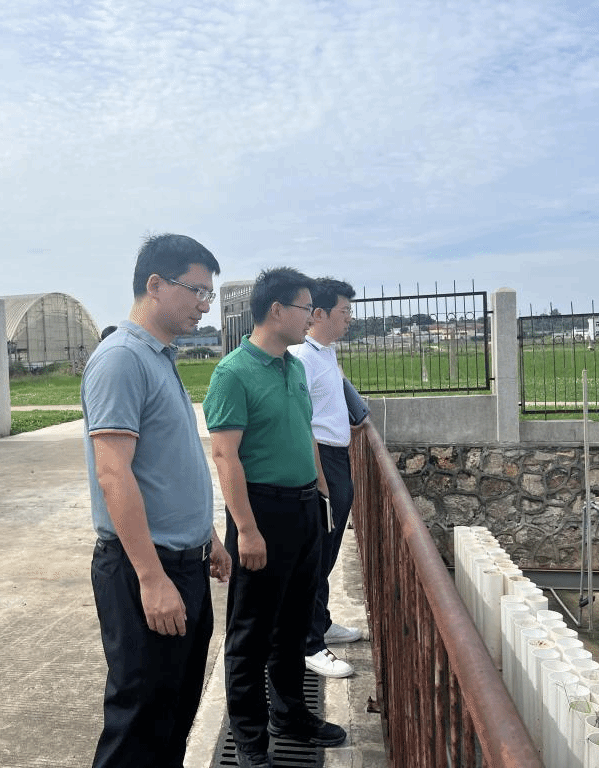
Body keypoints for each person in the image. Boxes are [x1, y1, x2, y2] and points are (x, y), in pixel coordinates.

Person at [82, 233, 232, 768]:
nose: (204, 304)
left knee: (173, 713)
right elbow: (114, 474)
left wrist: (207, 536)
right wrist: (151, 578)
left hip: (183, 562)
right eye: (197, 290)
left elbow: (164, 464)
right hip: (145, 566)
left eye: (209, 294)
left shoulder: (159, 357)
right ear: (154, 284)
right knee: (140, 722)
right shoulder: (122, 359)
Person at [203, 267, 348, 768]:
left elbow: (305, 431)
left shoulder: (294, 367)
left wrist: (322, 492)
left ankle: (290, 716)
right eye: (306, 307)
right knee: (251, 633)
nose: (312, 316)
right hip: (262, 512)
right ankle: (250, 740)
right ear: (276, 310)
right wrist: (246, 529)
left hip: (305, 508)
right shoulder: (233, 373)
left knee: (293, 624)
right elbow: (225, 456)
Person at [288, 277, 363, 679]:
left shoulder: (325, 354)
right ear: (318, 314)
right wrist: (319, 478)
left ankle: (321, 622)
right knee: (316, 553)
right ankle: (309, 642)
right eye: (344, 311)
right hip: (321, 461)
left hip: (338, 456)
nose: (349, 318)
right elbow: (301, 422)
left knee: (328, 550)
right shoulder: (302, 356)